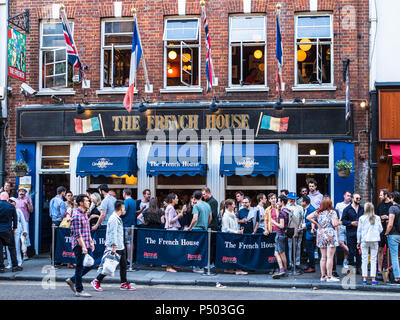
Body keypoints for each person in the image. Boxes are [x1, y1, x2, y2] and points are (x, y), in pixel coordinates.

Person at [91, 200, 136, 292]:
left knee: (123, 265)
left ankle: (124, 283)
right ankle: (96, 280)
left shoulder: (117, 218)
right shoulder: (114, 219)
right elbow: (113, 233)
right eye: (124, 208)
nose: (125, 210)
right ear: (121, 208)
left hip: (121, 245)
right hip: (116, 246)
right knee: (109, 266)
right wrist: (114, 247)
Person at [65, 194, 95, 297]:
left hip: (86, 243)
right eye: (87, 201)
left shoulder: (85, 214)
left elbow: (87, 230)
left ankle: (72, 280)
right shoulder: (77, 216)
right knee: (80, 266)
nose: (89, 202)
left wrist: (91, 242)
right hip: (79, 245)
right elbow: (77, 234)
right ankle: (79, 290)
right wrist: (83, 246)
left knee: (90, 264)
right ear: (81, 203)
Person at [307, 197, 340, 282]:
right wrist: (341, 222)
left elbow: (308, 217)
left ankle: (323, 276)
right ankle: (329, 277)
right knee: (330, 257)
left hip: (321, 234)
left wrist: (317, 224)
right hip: (330, 234)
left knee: (323, 257)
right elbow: (335, 224)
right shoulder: (332, 212)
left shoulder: (318, 212)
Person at [184, 190, 212, 274]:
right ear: (201, 196)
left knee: (195, 248)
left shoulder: (196, 206)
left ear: (194, 197)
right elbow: (210, 217)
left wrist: (189, 227)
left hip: (196, 229)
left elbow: (195, 218)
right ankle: (201, 266)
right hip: (204, 229)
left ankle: (197, 267)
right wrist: (206, 225)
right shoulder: (207, 205)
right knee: (203, 248)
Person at [357, 202, 382, 285]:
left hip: (364, 240)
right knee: (373, 259)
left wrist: (358, 241)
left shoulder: (361, 218)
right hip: (374, 240)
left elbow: (359, 231)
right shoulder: (377, 218)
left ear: (365, 209)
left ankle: (364, 278)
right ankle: (373, 279)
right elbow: (381, 229)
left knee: (364, 259)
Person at [221, 199, 247, 275]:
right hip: (228, 237)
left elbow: (235, 225)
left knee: (235, 253)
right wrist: (236, 231)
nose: (234, 206)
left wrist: (238, 230)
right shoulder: (225, 216)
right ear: (229, 206)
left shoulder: (232, 213)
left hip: (234, 236)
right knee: (232, 254)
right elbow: (226, 229)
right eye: (233, 204)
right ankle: (234, 269)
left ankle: (232, 269)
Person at [341, 193, 364, 274]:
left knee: (359, 252)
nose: (359, 200)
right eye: (357, 198)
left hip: (360, 233)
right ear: (352, 199)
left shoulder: (362, 209)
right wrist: (351, 223)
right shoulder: (347, 209)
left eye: (360, 198)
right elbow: (343, 221)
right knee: (351, 251)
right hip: (351, 232)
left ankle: (359, 268)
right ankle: (350, 268)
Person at [0, 192, 20, 272]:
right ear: (7, 198)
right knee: (12, 248)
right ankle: (15, 266)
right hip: (7, 231)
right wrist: (14, 228)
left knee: (0, 249)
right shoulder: (11, 206)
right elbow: (15, 219)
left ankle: (1, 267)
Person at [271, 195, 290, 279]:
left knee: (282, 253)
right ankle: (282, 269)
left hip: (280, 234)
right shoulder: (288, 210)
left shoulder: (282, 212)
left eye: (278, 201)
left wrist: (273, 222)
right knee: (276, 253)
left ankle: (284, 270)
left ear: (282, 202)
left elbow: (281, 226)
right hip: (284, 234)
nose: (277, 202)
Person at [6, 197, 27, 269]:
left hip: (17, 230)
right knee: (8, 247)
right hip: (8, 230)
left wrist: (25, 231)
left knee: (17, 246)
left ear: (15, 203)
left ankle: (19, 262)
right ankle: (10, 263)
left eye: (12, 201)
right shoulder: (7, 209)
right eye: (10, 201)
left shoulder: (18, 211)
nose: (11, 202)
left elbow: (23, 221)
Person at [164, 193, 183, 273]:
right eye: (176, 198)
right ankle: (169, 267)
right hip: (172, 229)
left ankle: (171, 265)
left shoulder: (169, 207)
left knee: (172, 248)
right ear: (172, 199)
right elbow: (170, 220)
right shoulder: (171, 208)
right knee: (171, 248)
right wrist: (178, 216)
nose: (178, 199)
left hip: (171, 229)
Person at [385, 191, 400, 284]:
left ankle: (397, 278)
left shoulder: (392, 208)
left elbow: (390, 224)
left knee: (394, 257)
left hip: (394, 235)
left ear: (393, 198)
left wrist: (386, 233)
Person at [286, 192, 303, 271]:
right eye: (291, 199)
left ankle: (297, 263)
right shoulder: (286, 207)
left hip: (299, 229)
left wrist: (300, 227)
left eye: (294, 199)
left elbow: (302, 219)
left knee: (298, 246)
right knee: (289, 246)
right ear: (289, 199)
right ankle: (290, 263)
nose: (292, 200)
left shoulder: (300, 207)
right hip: (290, 229)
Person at [376, 189, 392, 275]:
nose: (379, 196)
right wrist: (380, 217)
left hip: (390, 231)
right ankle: (379, 270)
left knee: (390, 250)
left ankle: (389, 270)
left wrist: (388, 217)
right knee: (380, 250)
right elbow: (376, 216)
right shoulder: (380, 205)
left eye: (381, 195)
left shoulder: (392, 205)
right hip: (381, 231)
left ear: (386, 195)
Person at [335, 191, 351, 268]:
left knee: (347, 243)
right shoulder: (339, 205)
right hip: (340, 226)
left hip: (348, 226)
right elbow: (336, 215)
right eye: (347, 195)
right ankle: (351, 253)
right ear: (344, 196)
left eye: (350, 196)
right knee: (340, 243)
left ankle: (346, 260)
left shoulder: (351, 205)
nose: (349, 197)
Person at [301, 196, 316, 273]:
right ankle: (310, 265)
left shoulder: (311, 209)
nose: (300, 202)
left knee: (310, 250)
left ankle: (312, 266)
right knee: (308, 249)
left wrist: (304, 225)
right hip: (306, 232)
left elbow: (313, 220)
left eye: (301, 201)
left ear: (305, 202)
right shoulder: (306, 209)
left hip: (310, 233)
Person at [121, 188, 136, 264]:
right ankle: (131, 258)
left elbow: (124, 212)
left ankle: (129, 259)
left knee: (128, 242)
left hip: (126, 224)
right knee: (131, 242)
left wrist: (118, 212)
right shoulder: (134, 201)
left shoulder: (126, 201)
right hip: (132, 224)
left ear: (124, 193)